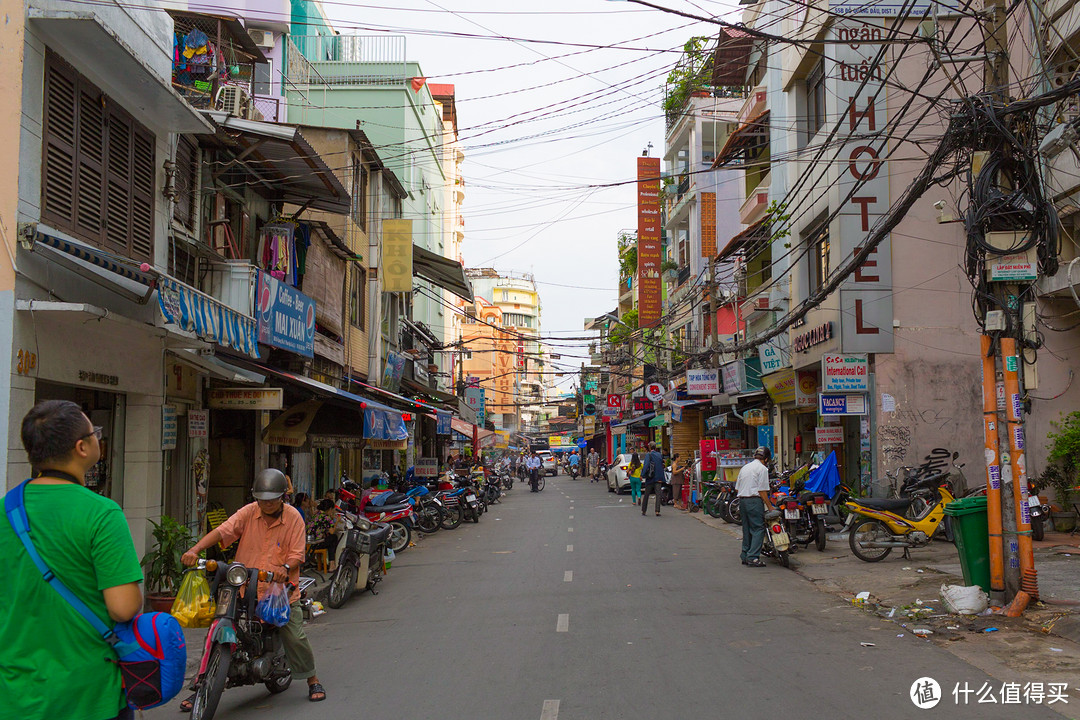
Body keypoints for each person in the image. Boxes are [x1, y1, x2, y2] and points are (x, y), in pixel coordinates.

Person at [1, 400, 145, 720]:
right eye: (95, 433)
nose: (97, 438)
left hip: (15, 693)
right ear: (82, 447)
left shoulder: (4, 511)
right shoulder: (101, 513)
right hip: (87, 693)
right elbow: (122, 607)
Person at [179, 469, 327, 706]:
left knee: (295, 635)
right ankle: (201, 686)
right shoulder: (249, 512)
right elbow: (223, 530)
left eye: (271, 499)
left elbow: (298, 554)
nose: (266, 504)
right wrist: (195, 550)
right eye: (261, 499)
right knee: (216, 630)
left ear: (282, 498)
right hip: (243, 586)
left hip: (279, 591)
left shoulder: (293, 518)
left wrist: (286, 567)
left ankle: (312, 679)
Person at [737, 447, 775, 568]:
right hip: (754, 501)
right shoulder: (762, 469)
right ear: (766, 459)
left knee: (747, 528)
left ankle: (745, 555)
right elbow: (762, 491)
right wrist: (770, 507)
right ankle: (753, 557)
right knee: (758, 528)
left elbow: (737, 487)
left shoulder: (745, 467)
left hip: (742, 500)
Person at [307, 498, 339, 571]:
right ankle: (332, 564)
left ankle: (331, 564)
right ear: (330, 509)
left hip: (309, 542)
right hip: (315, 544)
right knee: (333, 538)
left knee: (330, 539)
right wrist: (336, 521)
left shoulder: (317, 514)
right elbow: (332, 531)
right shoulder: (326, 518)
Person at [641, 442, 665, 516]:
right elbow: (661, 466)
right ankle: (657, 511)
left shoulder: (649, 455)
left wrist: (642, 474)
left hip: (650, 477)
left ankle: (644, 510)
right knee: (658, 494)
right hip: (658, 477)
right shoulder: (659, 455)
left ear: (650, 447)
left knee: (647, 494)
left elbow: (646, 465)